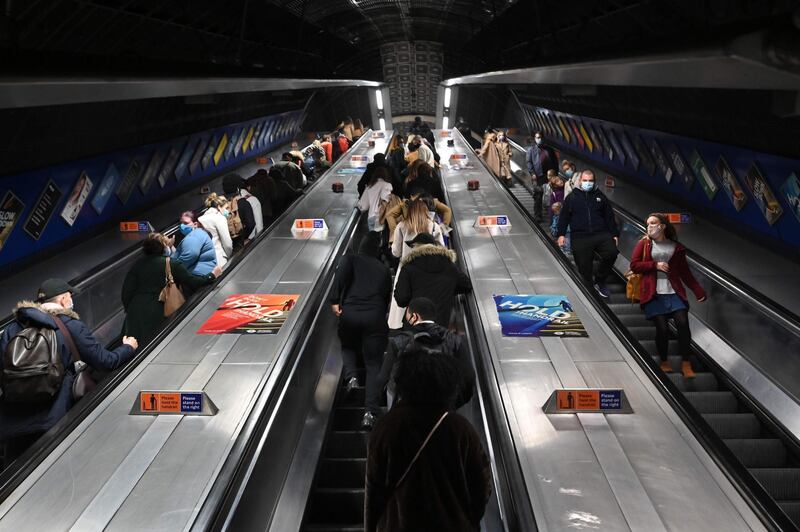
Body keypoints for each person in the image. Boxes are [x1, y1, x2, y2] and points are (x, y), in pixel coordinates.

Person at [1, 279, 139, 463]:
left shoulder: (13, 329)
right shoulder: (70, 326)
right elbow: (105, 362)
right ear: (64, 299)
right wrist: (128, 347)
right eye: (70, 296)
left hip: (12, 423)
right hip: (54, 420)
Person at [365, 347, 492, 532]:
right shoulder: (461, 429)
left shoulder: (386, 428)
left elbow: (373, 492)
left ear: (403, 383)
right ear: (447, 385)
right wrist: (468, 520)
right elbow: (482, 485)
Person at [629, 213, 707, 378]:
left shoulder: (676, 247)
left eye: (653, 223)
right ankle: (664, 361)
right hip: (653, 293)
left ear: (662, 226)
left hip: (674, 292)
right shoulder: (644, 244)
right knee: (662, 329)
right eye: (648, 223)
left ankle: (686, 363)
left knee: (683, 323)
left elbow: (684, 272)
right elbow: (634, 265)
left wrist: (698, 290)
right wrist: (655, 265)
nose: (649, 226)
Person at [329, 233, 391, 430]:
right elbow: (386, 295)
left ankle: (352, 377)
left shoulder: (350, 259)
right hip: (375, 317)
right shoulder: (382, 269)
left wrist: (334, 300)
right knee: (373, 364)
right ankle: (369, 413)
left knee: (347, 345)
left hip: (351, 313)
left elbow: (340, 277)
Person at [122, 233, 220, 345]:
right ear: (163, 247)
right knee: (155, 344)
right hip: (159, 309)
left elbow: (126, 292)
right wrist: (212, 275)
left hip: (135, 311)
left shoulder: (137, 265)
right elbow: (193, 282)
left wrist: (130, 309)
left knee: (133, 346)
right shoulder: (171, 264)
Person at [378, 297, 475, 409]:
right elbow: (468, 379)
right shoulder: (454, 340)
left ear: (414, 316)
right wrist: (451, 404)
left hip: (405, 409)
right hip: (441, 408)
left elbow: (383, 377)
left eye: (407, 314)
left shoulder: (400, 341)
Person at [556, 170, 619, 298]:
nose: (588, 183)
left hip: (601, 233)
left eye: (590, 181)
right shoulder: (572, 198)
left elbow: (609, 216)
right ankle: (589, 289)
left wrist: (614, 234)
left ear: (594, 181)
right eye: (585, 181)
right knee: (584, 266)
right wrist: (561, 234)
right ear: (580, 181)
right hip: (580, 236)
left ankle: (600, 280)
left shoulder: (600, 196)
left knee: (612, 253)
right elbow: (564, 217)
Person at [393, 234, 472, 328]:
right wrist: (447, 288)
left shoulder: (408, 267)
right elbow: (466, 285)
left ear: (416, 247)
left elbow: (401, 299)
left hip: (414, 324)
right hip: (440, 325)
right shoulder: (449, 266)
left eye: (412, 246)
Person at [389, 200, 444, 329]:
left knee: (403, 301)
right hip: (429, 272)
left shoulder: (402, 226)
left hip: (406, 271)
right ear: (425, 211)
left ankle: (402, 328)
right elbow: (442, 250)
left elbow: (396, 253)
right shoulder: (434, 226)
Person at [171, 211, 217, 276]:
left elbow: (190, 255)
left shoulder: (194, 236)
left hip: (200, 276)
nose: (182, 225)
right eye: (181, 223)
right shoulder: (197, 234)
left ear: (195, 224)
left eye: (185, 223)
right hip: (204, 274)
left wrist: (172, 269)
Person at [526, 131, 557, 220]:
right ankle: (538, 215)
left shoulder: (549, 150)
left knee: (551, 195)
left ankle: (552, 214)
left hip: (549, 176)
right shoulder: (531, 150)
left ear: (543, 138)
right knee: (538, 196)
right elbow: (529, 162)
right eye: (537, 138)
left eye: (540, 137)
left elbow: (555, 162)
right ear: (535, 139)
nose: (539, 139)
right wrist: (532, 173)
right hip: (538, 176)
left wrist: (556, 174)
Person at [198, 193, 233, 269]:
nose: (228, 211)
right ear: (219, 207)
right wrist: (229, 255)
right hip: (220, 260)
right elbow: (227, 244)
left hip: (205, 262)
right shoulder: (219, 218)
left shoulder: (200, 219)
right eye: (226, 208)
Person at [223, 174, 256, 249]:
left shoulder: (221, 205)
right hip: (240, 241)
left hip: (227, 243)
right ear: (238, 188)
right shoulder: (243, 203)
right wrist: (244, 236)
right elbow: (251, 224)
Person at [358, 166, 394, 234]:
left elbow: (364, 206)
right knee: (382, 241)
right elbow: (386, 199)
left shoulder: (370, 186)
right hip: (382, 217)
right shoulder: (387, 185)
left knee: (373, 240)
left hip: (371, 217)